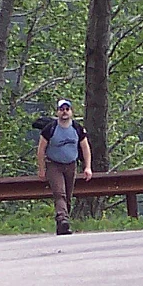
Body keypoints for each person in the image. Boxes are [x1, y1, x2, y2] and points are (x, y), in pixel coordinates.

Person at [35, 98, 92, 235]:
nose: (64, 112)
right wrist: (42, 168)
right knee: (59, 193)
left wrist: (87, 167)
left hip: (71, 165)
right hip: (54, 165)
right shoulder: (50, 129)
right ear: (57, 112)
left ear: (71, 112)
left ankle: (62, 224)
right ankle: (62, 219)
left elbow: (85, 148)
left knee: (68, 195)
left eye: (67, 109)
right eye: (61, 110)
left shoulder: (77, 128)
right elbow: (41, 149)